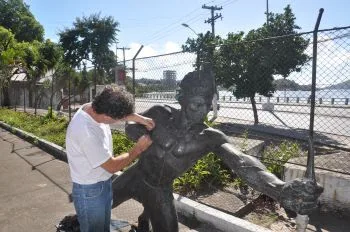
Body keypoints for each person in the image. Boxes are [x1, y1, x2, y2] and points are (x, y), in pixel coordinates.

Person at [111, 66, 323, 232]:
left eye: (207, 105)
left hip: (160, 191)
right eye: (195, 105)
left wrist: (279, 189)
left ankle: (145, 220)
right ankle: (142, 221)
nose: (201, 113)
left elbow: (243, 163)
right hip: (135, 175)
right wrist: (136, 133)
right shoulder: (158, 113)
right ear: (182, 99)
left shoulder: (209, 137)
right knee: (95, 209)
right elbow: (130, 124)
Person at [65, 85, 155, 232]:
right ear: (107, 116)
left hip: (102, 183)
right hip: (90, 192)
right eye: (117, 119)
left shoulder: (93, 107)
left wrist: (139, 118)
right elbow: (112, 166)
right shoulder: (85, 131)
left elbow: (117, 111)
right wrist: (138, 149)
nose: (119, 121)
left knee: (103, 228)